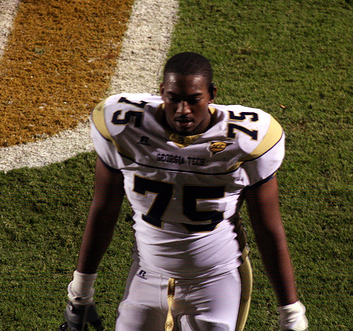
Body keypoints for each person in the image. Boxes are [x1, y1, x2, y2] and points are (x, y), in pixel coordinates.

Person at [61, 52, 308, 331]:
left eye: (193, 99)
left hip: (215, 282)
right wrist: (80, 291)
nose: (182, 110)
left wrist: (290, 310)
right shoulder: (123, 126)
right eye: (174, 98)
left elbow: (268, 227)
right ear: (162, 92)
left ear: (212, 94)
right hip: (147, 275)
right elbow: (104, 209)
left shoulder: (245, 139)